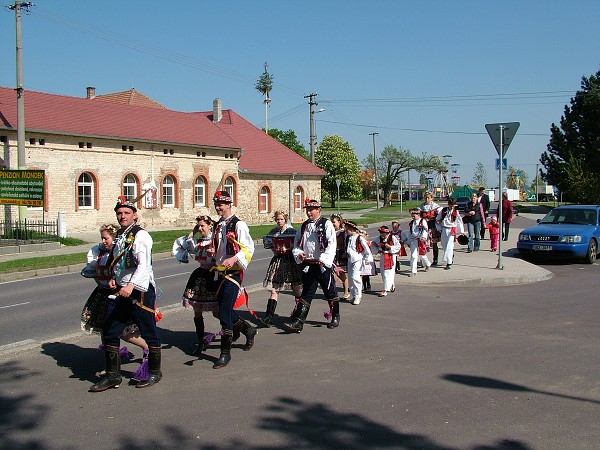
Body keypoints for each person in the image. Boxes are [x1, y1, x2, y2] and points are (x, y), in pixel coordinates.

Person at [90, 196, 162, 392]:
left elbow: (144, 266)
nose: (122, 216)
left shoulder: (141, 236)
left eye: (126, 213)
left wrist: (130, 286)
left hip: (139, 292)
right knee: (111, 330)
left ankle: (155, 372)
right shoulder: (121, 235)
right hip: (121, 290)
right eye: (120, 213)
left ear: (135, 215)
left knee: (148, 330)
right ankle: (113, 376)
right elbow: (120, 263)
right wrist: (114, 277)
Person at [81, 224, 148, 378]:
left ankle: (147, 347)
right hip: (103, 294)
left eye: (106, 238)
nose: (104, 241)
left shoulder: (120, 254)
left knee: (122, 331)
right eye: (102, 238)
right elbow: (94, 274)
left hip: (119, 294)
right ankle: (112, 367)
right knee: (106, 333)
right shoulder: (97, 253)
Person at [209, 190, 256, 369]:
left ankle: (225, 353)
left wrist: (234, 259)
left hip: (234, 273)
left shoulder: (239, 225)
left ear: (229, 205)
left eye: (221, 204)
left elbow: (248, 248)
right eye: (216, 204)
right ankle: (247, 329)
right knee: (221, 310)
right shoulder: (218, 225)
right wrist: (214, 252)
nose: (218, 207)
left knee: (224, 312)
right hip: (219, 272)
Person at [285, 199, 339, 332]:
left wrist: (324, 259)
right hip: (309, 265)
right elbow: (297, 244)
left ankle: (335, 316)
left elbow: (332, 243)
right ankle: (298, 322)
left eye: (311, 210)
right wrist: (299, 253)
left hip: (322, 265)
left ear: (318, 210)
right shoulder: (303, 226)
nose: (308, 212)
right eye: (307, 210)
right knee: (307, 293)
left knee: (329, 291)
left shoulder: (326, 224)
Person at [181, 215, 219, 356]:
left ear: (210, 226)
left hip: (213, 275)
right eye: (199, 226)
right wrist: (194, 231)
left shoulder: (216, 241)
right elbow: (184, 244)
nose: (201, 228)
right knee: (197, 308)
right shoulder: (198, 241)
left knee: (217, 311)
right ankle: (201, 341)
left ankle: (239, 328)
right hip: (200, 274)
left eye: (203, 226)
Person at [261, 211, 302, 325]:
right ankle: (268, 317)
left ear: (285, 219)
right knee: (274, 289)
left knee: (296, 288)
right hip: (278, 261)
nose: (279, 221)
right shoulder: (274, 232)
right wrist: (275, 251)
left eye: (281, 219)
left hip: (290, 261)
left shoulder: (292, 231)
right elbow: (267, 241)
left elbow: (298, 245)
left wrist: (289, 251)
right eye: (277, 219)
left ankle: (298, 314)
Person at [343, 220, 373, 305]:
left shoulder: (359, 238)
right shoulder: (348, 237)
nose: (346, 230)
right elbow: (349, 248)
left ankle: (358, 296)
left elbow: (366, 249)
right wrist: (346, 253)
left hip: (357, 260)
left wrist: (367, 259)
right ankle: (354, 295)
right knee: (350, 278)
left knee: (355, 277)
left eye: (347, 229)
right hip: (350, 260)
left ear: (352, 229)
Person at [370, 225, 401, 297]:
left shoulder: (392, 237)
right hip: (383, 256)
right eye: (381, 233)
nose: (381, 234)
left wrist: (390, 247)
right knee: (383, 273)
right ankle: (391, 284)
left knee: (388, 272)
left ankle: (385, 289)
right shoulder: (379, 238)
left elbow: (398, 246)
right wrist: (377, 250)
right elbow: (373, 244)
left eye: (383, 233)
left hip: (390, 256)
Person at [435, 197, 465, 270]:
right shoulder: (443, 210)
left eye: (453, 205)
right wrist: (438, 225)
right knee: (444, 245)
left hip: (452, 229)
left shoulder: (456, 212)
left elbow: (459, 221)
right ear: (448, 204)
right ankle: (450, 256)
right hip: (444, 228)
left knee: (449, 245)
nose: (451, 207)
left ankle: (449, 262)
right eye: (450, 205)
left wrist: (461, 231)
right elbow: (438, 219)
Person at [405, 209, 432, 276]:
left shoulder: (422, 221)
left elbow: (425, 230)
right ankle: (413, 271)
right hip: (413, 240)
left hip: (421, 240)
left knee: (422, 255)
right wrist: (408, 241)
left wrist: (424, 237)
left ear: (418, 215)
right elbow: (410, 232)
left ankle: (428, 264)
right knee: (413, 256)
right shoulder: (412, 223)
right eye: (412, 216)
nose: (413, 217)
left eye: (414, 216)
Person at [418, 192, 441, 266]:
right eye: (426, 198)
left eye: (428, 197)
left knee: (434, 243)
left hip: (433, 226)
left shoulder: (436, 207)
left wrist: (437, 220)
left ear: (432, 198)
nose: (427, 199)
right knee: (423, 243)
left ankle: (435, 259)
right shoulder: (421, 207)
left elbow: (440, 216)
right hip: (425, 227)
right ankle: (423, 260)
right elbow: (418, 216)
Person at [331, 214, 349, 299]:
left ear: (339, 222)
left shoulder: (343, 232)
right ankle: (333, 291)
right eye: (332, 222)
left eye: (334, 222)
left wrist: (346, 252)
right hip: (333, 254)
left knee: (341, 273)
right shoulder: (331, 232)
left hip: (341, 253)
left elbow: (346, 243)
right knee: (332, 273)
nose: (333, 224)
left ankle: (346, 292)